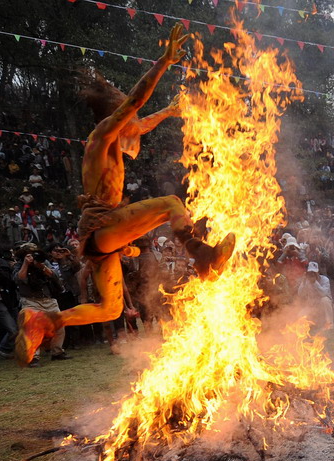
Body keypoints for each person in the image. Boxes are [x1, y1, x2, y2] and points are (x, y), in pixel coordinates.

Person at [15, 24, 235, 366]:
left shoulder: (114, 137)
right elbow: (135, 103)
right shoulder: (102, 135)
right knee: (171, 204)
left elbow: (140, 123)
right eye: (125, 110)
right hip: (102, 226)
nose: (133, 117)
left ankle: (43, 322)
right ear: (115, 112)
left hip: (102, 238)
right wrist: (163, 62)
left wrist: (169, 112)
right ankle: (203, 257)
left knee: (111, 308)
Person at [13, 244, 68, 366]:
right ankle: (34, 357)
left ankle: (57, 352)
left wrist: (41, 266)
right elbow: (19, 278)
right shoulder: (19, 264)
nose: (32, 255)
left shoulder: (43, 261)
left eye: (34, 252)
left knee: (59, 325)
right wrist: (26, 264)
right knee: (32, 328)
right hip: (30, 301)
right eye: (29, 253)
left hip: (48, 300)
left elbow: (54, 275)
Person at [298, 261, 334, 331]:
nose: (312, 275)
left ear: (318, 272)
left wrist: (315, 283)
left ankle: (329, 324)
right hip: (312, 306)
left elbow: (323, 293)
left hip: (322, 306)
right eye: (310, 273)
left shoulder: (325, 280)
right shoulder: (306, 281)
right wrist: (303, 282)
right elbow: (300, 294)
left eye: (314, 272)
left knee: (325, 299)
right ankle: (311, 324)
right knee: (300, 315)